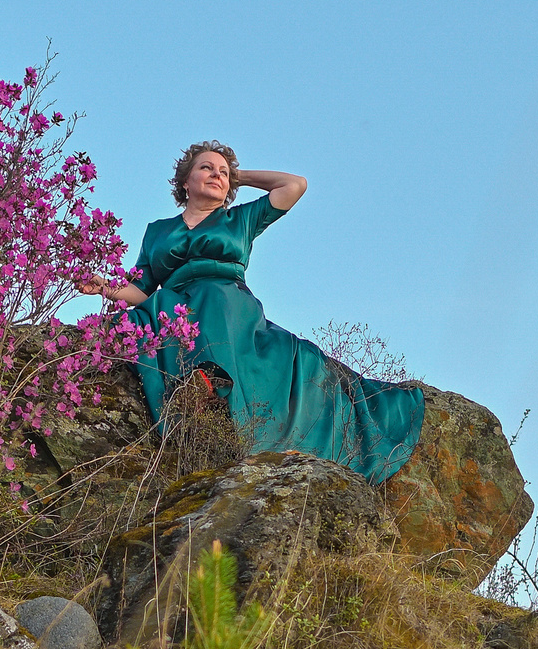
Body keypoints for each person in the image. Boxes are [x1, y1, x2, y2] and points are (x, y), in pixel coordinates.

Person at [76, 142, 424, 483]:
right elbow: (141, 288)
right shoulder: (157, 231)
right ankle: (199, 382)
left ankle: (211, 382)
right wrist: (104, 286)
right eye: (206, 168)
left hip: (228, 301)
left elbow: (295, 185)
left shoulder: (240, 219)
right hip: (176, 305)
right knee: (145, 314)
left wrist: (238, 176)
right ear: (185, 181)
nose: (216, 174)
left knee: (215, 296)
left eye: (222, 172)